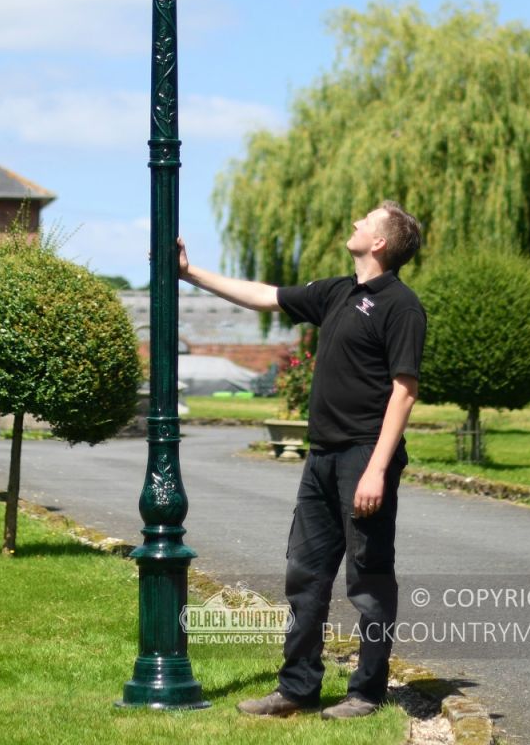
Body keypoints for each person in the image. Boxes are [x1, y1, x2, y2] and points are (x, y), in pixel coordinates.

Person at [177, 200, 425, 720]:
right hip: (321, 457)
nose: (355, 222)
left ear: (380, 242)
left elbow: (403, 392)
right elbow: (264, 296)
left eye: (367, 221)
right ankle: (297, 689)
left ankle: (366, 693)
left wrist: (377, 469)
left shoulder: (401, 306)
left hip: (363, 457)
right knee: (305, 573)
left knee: (368, 578)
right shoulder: (337, 292)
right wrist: (190, 273)